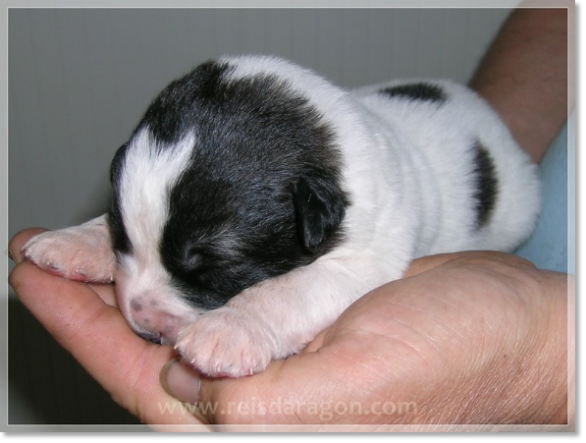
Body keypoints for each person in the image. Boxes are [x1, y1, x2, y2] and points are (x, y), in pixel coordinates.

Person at [8, 5, 574, 430]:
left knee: (522, 198)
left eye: (206, 262)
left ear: (317, 214)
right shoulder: (294, 161)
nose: (141, 307)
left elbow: (361, 267)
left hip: (499, 183)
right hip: (425, 112)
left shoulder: (365, 198)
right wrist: (119, 233)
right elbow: (182, 202)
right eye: (126, 237)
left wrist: (259, 320)